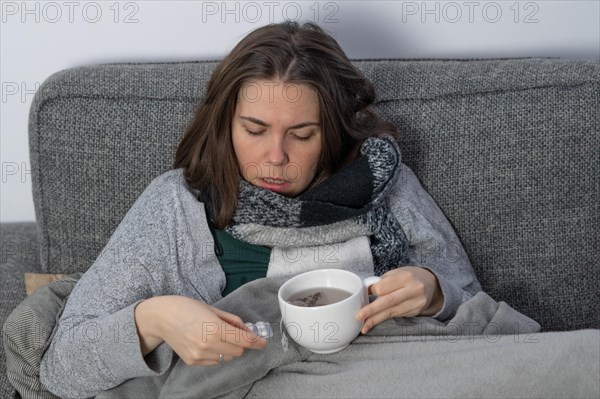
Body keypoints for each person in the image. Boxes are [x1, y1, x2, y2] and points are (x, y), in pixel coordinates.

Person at [39, 21, 482, 398]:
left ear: (332, 132)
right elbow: (62, 366)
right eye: (254, 129)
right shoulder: (175, 206)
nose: (275, 157)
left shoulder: (388, 185)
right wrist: (153, 319)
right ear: (225, 124)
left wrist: (435, 294)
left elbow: (481, 314)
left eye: (302, 135)